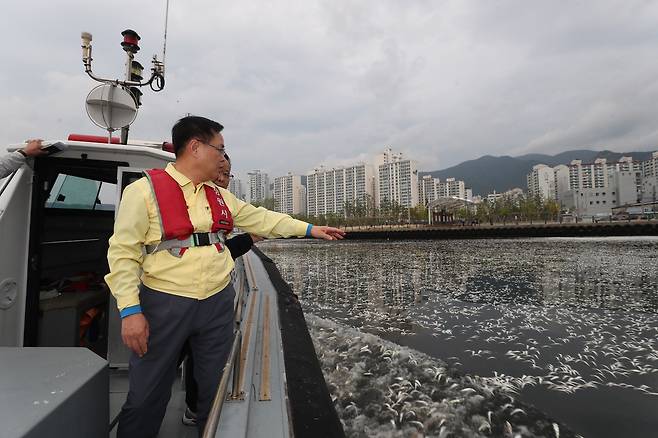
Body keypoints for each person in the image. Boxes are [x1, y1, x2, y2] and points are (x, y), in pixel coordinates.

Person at [105, 115, 345, 438]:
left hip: (216, 304)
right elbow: (122, 253)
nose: (222, 157)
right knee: (146, 395)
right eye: (219, 148)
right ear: (195, 147)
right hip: (165, 304)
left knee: (216, 391)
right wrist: (131, 311)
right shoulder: (143, 192)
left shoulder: (218, 196)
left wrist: (309, 229)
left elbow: (260, 218)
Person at [180, 152, 262, 426]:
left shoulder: (221, 204)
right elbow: (210, 251)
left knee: (200, 356)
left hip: (209, 296)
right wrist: (249, 239)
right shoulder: (193, 202)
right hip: (182, 298)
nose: (223, 180)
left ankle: (201, 411)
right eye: (219, 174)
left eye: (227, 175)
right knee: (181, 356)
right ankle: (195, 410)